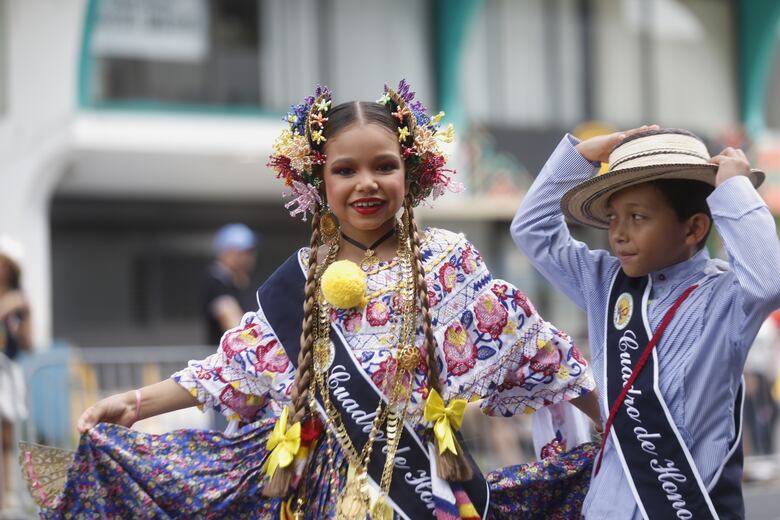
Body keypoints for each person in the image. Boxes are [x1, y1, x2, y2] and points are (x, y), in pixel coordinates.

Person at [23, 81, 601, 519]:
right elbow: (231, 369)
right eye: (344, 170)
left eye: (384, 166)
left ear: (412, 173)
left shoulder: (446, 263)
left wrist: (630, 423)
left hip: (423, 489)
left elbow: (542, 353)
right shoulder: (296, 280)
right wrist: (134, 402)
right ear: (318, 182)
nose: (365, 183)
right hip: (316, 494)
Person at [512, 126, 780, 518]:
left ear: (694, 228)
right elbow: (533, 230)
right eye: (613, 218)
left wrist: (734, 189)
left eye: (637, 217)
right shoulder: (606, 281)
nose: (618, 234)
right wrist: (580, 156)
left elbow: (769, 280)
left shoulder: (726, 296)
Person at [0, 238, 32, 511]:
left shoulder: (18, 300)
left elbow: (28, 344)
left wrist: (25, 313)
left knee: (8, 435)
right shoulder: (9, 301)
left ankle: (8, 493)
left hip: (8, 372)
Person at [204, 223, 259, 346]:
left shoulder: (246, 281)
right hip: (231, 357)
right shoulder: (217, 280)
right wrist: (260, 345)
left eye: (250, 252)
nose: (249, 257)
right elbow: (235, 327)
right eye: (243, 252)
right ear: (226, 252)